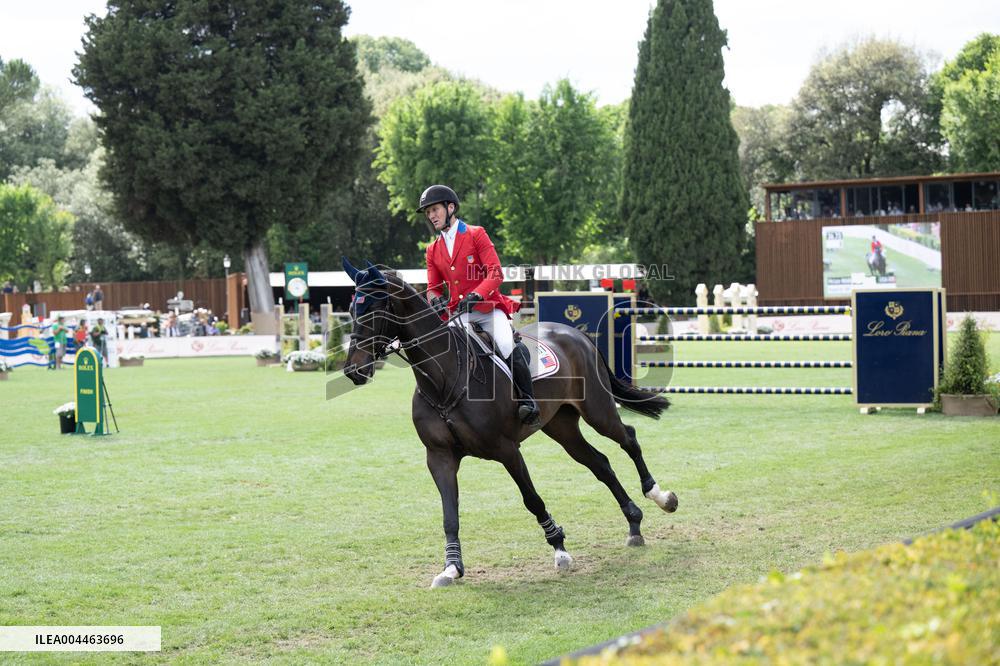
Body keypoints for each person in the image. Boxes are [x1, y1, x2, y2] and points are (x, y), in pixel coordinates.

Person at [419, 184, 540, 426]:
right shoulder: (433, 250)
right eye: (428, 212)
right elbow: (432, 287)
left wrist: (476, 295)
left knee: (505, 344)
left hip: (487, 309)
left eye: (434, 209)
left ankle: (528, 401)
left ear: (450, 207)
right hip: (458, 315)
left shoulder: (476, 234)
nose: (431, 216)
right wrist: (436, 299)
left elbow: (495, 274)